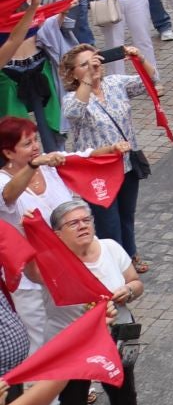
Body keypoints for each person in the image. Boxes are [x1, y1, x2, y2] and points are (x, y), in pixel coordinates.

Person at [39, 198, 142, 405]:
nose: (83, 226)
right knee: (72, 401)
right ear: (57, 234)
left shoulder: (109, 247)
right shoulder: (49, 261)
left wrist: (127, 291)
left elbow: (135, 281)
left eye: (86, 220)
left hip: (115, 335)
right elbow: (30, 272)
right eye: (73, 223)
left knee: (123, 390)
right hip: (72, 342)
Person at [57, 44, 148, 268]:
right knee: (108, 221)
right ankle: (118, 265)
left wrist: (140, 58)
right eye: (84, 65)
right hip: (97, 172)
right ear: (72, 74)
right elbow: (74, 112)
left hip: (126, 163)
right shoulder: (71, 98)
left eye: (94, 60)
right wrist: (88, 79)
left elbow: (149, 82)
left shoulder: (116, 83)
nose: (92, 66)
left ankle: (131, 253)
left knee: (127, 214)